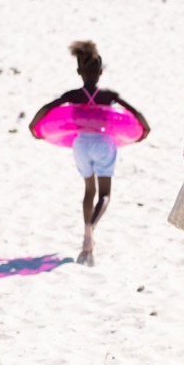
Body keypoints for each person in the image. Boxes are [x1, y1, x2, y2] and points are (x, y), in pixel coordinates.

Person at [28, 40, 151, 266]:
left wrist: (35, 128)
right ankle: (91, 228)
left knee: (89, 191)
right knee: (105, 195)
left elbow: (47, 108)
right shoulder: (108, 95)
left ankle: (86, 232)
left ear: (78, 71)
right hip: (104, 143)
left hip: (81, 144)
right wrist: (144, 129)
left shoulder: (73, 95)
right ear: (101, 72)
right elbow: (135, 112)